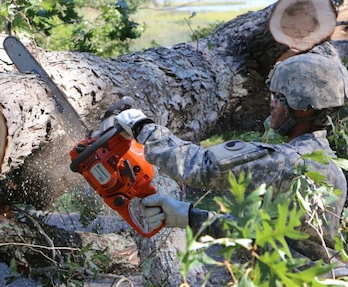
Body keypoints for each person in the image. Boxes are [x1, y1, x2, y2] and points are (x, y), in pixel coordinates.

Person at [114, 53, 348, 276]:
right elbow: (262, 237)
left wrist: (142, 127)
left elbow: (199, 166)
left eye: (278, 97)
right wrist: (188, 216)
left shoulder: (289, 162)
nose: (272, 103)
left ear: (300, 107)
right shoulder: (327, 163)